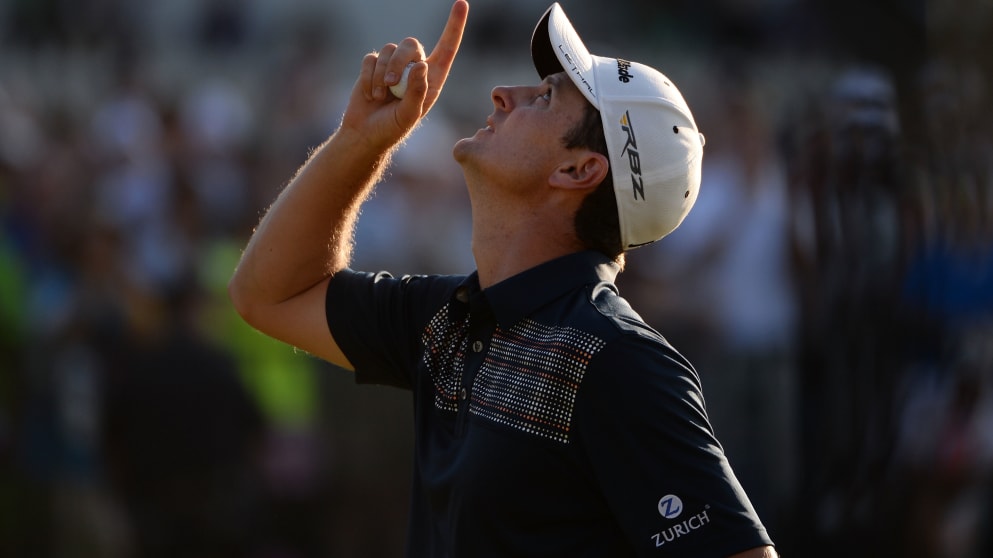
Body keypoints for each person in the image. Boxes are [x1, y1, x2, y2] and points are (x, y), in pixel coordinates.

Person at [229, 1, 777, 556]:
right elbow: (266, 293)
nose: (503, 94)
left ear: (578, 170)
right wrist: (359, 141)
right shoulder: (450, 317)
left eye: (544, 98)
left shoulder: (624, 362)